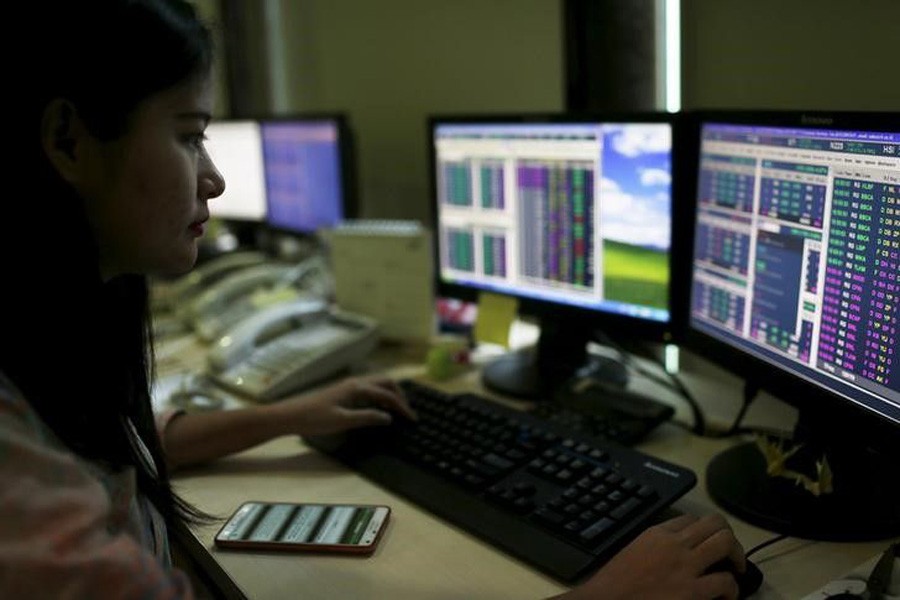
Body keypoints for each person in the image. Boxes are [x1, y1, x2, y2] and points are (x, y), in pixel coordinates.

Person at [0, 0, 747, 598]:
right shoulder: (20, 494)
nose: (215, 179)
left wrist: (287, 416)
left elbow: (121, 439)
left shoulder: (43, 379)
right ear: (67, 140)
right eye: (190, 136)